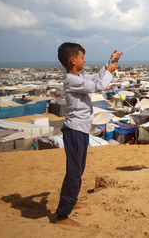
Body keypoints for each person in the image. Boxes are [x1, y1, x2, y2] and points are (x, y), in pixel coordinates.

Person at [54, 42, 121, 228]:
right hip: (74, 130)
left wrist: (111, 61)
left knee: (78, 169)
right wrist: (110, 70)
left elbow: (97, 77)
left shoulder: (79, 77)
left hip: (81, 129)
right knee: (74, 173)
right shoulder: (71, 80)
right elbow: (99, 86)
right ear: (73, 60)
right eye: (82, 58)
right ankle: (62, 215)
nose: (85, 60)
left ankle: (71, 201)